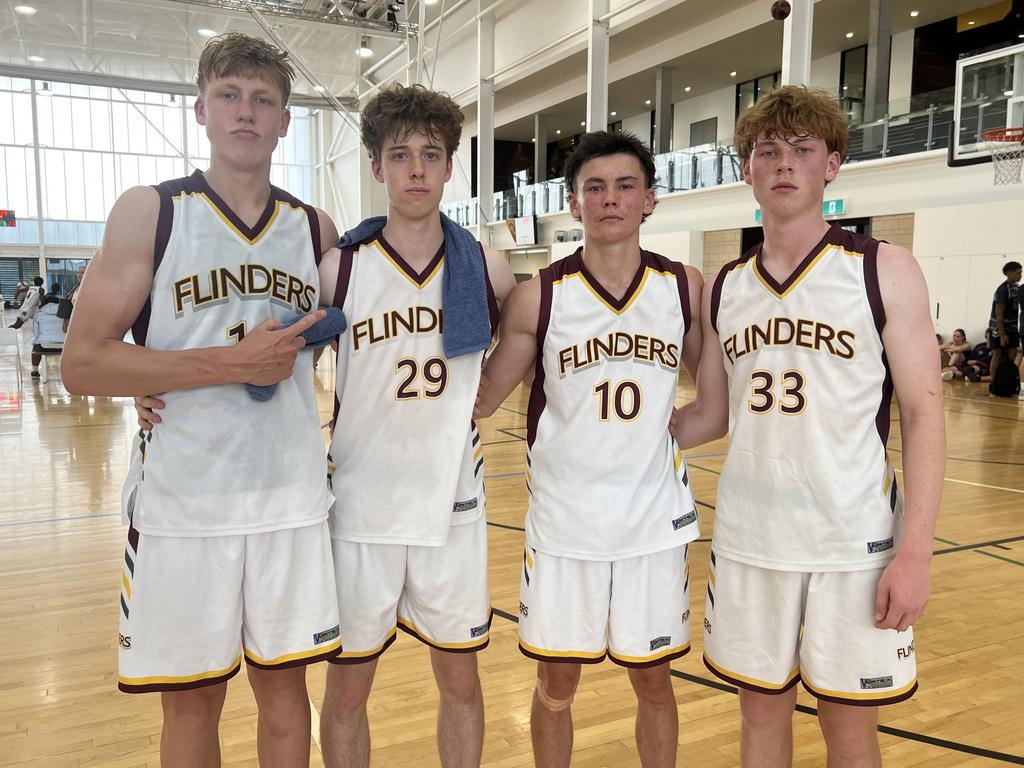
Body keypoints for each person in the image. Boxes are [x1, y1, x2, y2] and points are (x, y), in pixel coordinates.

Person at [61, 32, 341, 767]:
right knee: (192, 704)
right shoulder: (149, 212)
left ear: (285, 120)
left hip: (290, 497)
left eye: (263, 100)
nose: (245, 113)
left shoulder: (315, 230)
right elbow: (84, 364)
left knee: (287, 698)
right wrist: (218, 365)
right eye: (229, 96)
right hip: (184, 504)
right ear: (200, 111)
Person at [673, 86, 944, 767]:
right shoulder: (726, 286)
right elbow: (709, 415)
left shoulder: (884, 268)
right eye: (768, 151)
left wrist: (914, 554)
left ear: (832, 165)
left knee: (849, 730)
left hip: (853, 544)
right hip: (751, 540)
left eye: (802, 149)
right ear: (747, 170)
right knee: (760, 720)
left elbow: (923, 413)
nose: (784, 163)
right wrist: (598, 430)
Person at [473, 130, 703, 768]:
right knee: (556, 685)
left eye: (625, 186)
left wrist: (661, 438)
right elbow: (485, 396)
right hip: (565, 525)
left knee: (654, 681)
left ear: (650, 199)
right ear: (573, 204)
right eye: (593, 188)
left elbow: (721, 399)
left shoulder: (684, 287)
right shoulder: (539, 295)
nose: (610, 200)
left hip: (651, 526)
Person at [317, 84, 516, 768]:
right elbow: (275, 363)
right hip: (361, 505)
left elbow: (538, 343)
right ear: (376, 167)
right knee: (347, 688)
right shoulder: (339, 267)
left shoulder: (486, 265)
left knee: (461, 680)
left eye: (431, 154)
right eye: (400, 155)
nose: (416, 170)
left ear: (450, 166)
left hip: (451, 503)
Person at [987, 261, 1020, 392]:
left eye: (1021, 273)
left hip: (1012, 328)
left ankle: (1007, 381)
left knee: (1012, 354)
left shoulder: (1016, 288)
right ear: (1009, 273)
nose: (1020, 275)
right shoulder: (1003, 289)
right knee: (997, 354)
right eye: (1018, 273)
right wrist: (1002, 334)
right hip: (999, 328)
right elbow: (999, 312)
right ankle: (994, 383)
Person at [30, 285, 66, 379]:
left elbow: (36, 333)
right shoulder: (66, 314)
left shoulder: (38, 315)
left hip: (44, 346)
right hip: (65, 346)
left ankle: (35, 371)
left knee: (35, 346)